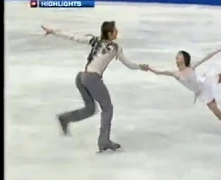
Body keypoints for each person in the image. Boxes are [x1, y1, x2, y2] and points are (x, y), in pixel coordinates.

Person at [41, 21, 149, 152]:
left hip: (81, 77)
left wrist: (54, 31)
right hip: (92, 79)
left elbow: (73, 36)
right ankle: (104, 141)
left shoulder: (94, 40)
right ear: (110, 33)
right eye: (115, 30)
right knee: (107, 108)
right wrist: (141, 67)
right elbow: (129, 64)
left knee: (90, 109)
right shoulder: (114, 48)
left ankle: (65, 118)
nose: (117, 32)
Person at [144, 43, 221, 140]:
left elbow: (206, 57)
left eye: (179, 55)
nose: (177, 57)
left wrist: (220, 49)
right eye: (177, 56)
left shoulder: (191, 66)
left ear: (184, 59)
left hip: (206, 83)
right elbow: (158, 72)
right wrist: (147, 67)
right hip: (202, 93)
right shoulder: (174, 73)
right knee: (217, 112)